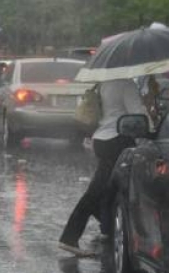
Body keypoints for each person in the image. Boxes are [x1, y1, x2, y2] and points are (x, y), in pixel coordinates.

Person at [59, 78, 148, 257]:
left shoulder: (105, 82)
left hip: (101, 138)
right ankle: (69, 237)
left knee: (108, 187)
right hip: (116, 140)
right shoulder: (127, 84)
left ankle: (107, 227)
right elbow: (138, 115)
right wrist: (147, 109)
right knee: (98, 190)